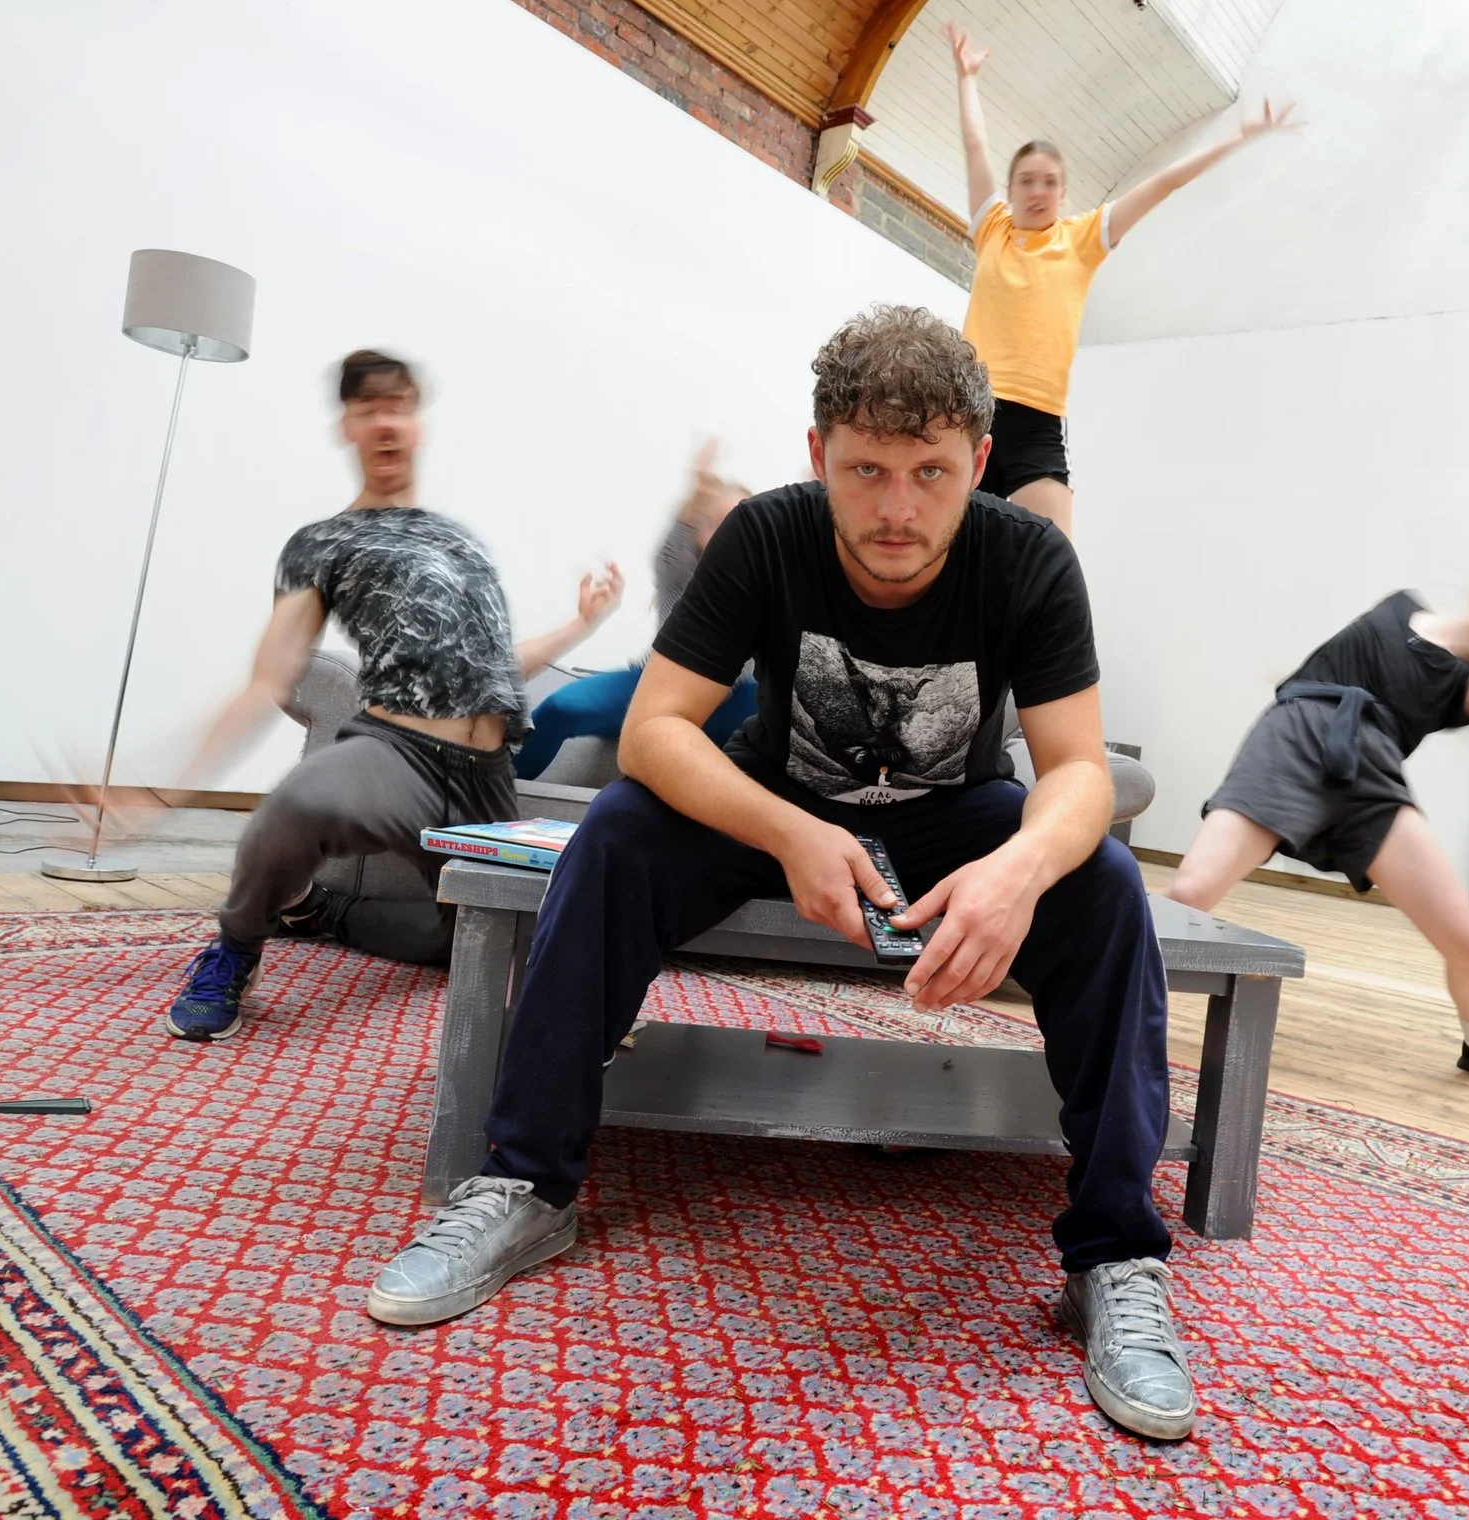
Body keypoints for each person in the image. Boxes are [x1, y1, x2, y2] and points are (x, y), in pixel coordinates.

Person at [359, 306, 1202, 1443]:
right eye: (865, 470)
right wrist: (788, 832)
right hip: (778, 803)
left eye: (929, 473)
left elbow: (1078, 772)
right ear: (817, 456)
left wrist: (1015, 871)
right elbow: (660, 728)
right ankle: (524, 1183)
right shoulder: (765, 534)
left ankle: (1112, 1256)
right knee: (614, 829)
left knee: (1097, 882)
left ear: (979, 464)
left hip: (960, 813)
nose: (897, 507)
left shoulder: (1029, 555)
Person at [158, 349, 623, 1038]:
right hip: (394, 755)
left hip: (486, 777)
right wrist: (164, 787)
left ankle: (319, 913)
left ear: (417, 423)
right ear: (347, 426)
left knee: (471, 937)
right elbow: (271, 674)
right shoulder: (322, 543)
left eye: (398, 406)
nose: (385, 422)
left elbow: (496, 665)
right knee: (299, 802)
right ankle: (236, 947)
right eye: (367, 408)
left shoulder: (463, 545)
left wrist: (581, 625)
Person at [1168, 574, 1469, 1095]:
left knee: (1467, 941)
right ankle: (1106, 985)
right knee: (1190, 894)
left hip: (1369, 771)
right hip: (1294, 735)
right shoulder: (1403, 604)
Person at [946, 19, 1299, 537]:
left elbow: (1165, 183)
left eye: (1050, 182)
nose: (1037, 191)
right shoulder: (993, 230)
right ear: (1011, 188)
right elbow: (976, 147)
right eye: (1026, 181)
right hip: (969, 411)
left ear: (1064, 195)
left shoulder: (1081, 239)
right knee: (952, 556)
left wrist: (1237, 138)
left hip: (1037, 421)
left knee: (1051, 561)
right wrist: (967, 80)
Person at [512, 441, 758, 781]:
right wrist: (698, 493)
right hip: (657, 690)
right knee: (559, 707)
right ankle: (492, 792)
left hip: (732, 701)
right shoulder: (679, 573)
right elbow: (673, 547)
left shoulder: (766, 581)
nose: (724, 533)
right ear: (699, 533)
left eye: (735, 523)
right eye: (713, 522)